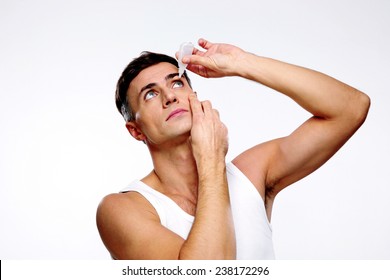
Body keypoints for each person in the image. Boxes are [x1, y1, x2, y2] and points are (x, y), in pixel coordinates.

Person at [96, 38, 370, 260]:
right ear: (136, 130)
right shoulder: (123, 209)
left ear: (194, 97)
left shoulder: (251, 175)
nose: (170, 96)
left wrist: (243, 63)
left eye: (176, 82)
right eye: (151, 94)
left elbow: (351, 107)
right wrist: (211, 159)